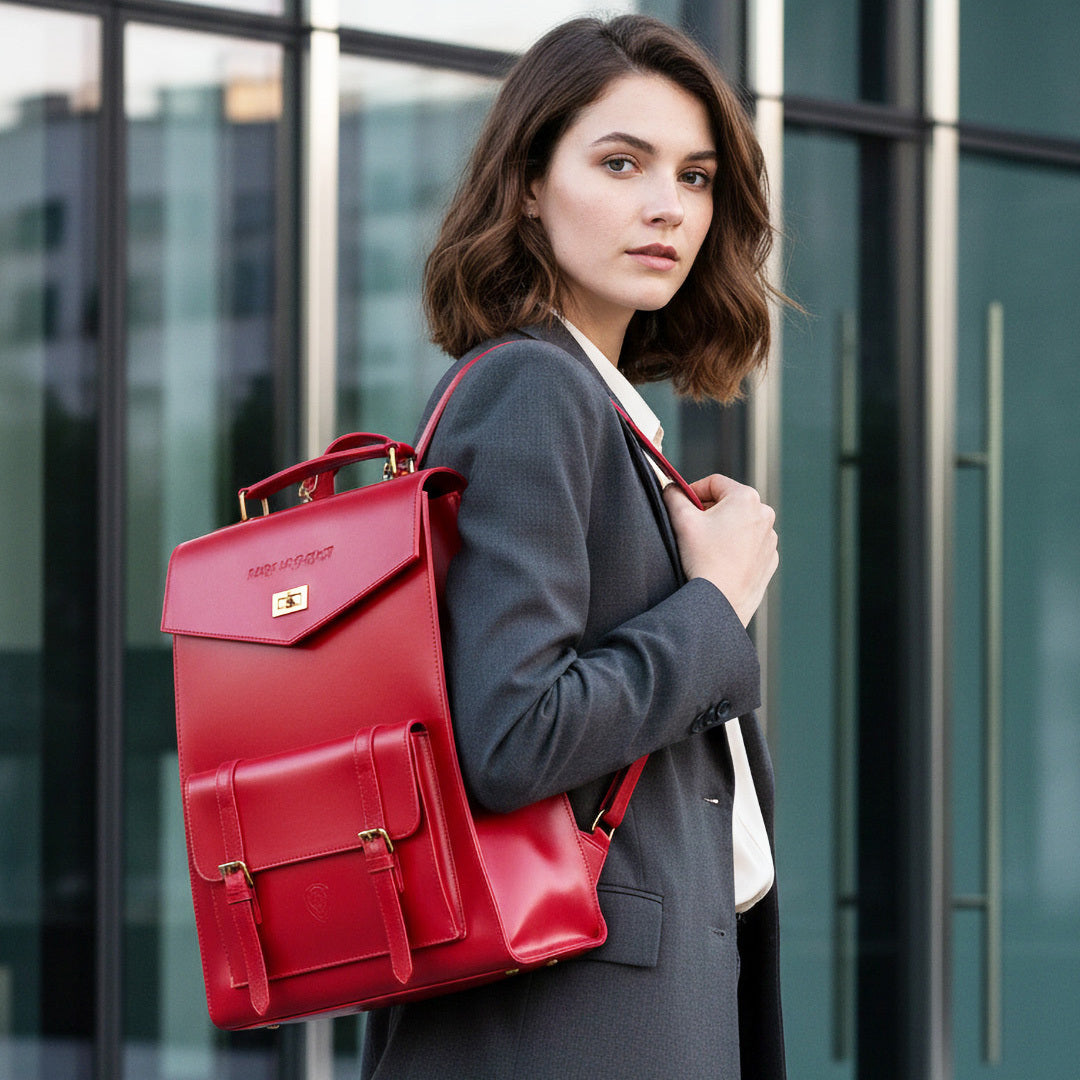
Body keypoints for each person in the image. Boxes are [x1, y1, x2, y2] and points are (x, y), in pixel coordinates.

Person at [362, 14, 785, 1080]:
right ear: (528, 186)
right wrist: (714, 604)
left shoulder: (603, 415)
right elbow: (515, 735)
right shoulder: (531, 389)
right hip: (565, 1026)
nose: (668, 206)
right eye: (621, 163)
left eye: (695, 177)